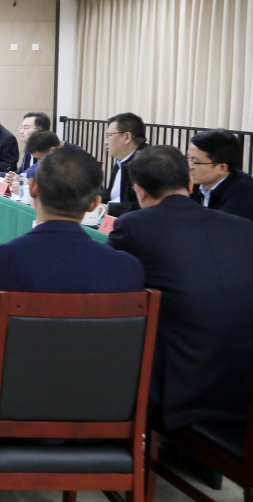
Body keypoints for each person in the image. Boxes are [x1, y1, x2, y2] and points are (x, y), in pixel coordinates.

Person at [0, 147, 144, 451]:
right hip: (101, 423)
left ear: (33, 188)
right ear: (94, 203)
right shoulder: (127, 268)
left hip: (4, 422)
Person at [107, 146, 253, 431]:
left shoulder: (134, 226)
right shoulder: (244, 228)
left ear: (140, 191)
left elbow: (109, 289)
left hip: (183, 391)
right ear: (189, 182)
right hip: (243, 386)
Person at [187, 129, 253, 221]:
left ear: (222, 168)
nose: (189, 166)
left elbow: (223, 226)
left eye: (195, 162)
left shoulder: (244, 191)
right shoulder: (195, 183)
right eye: (188, 159)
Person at [103, 112, 149, 216]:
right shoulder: (122, 159)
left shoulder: (146, 163)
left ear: (127, 137)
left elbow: (145, 206)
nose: (106, 141)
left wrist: (109, 209)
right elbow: (112, 193)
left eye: (109, 135)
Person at [7, 130, 62, 196]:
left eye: (40, 158)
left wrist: (27, 190)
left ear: (52, 151)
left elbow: (56, 193)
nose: (39, 162)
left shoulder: (65, 167)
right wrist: (20, 179)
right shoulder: (47, 162)